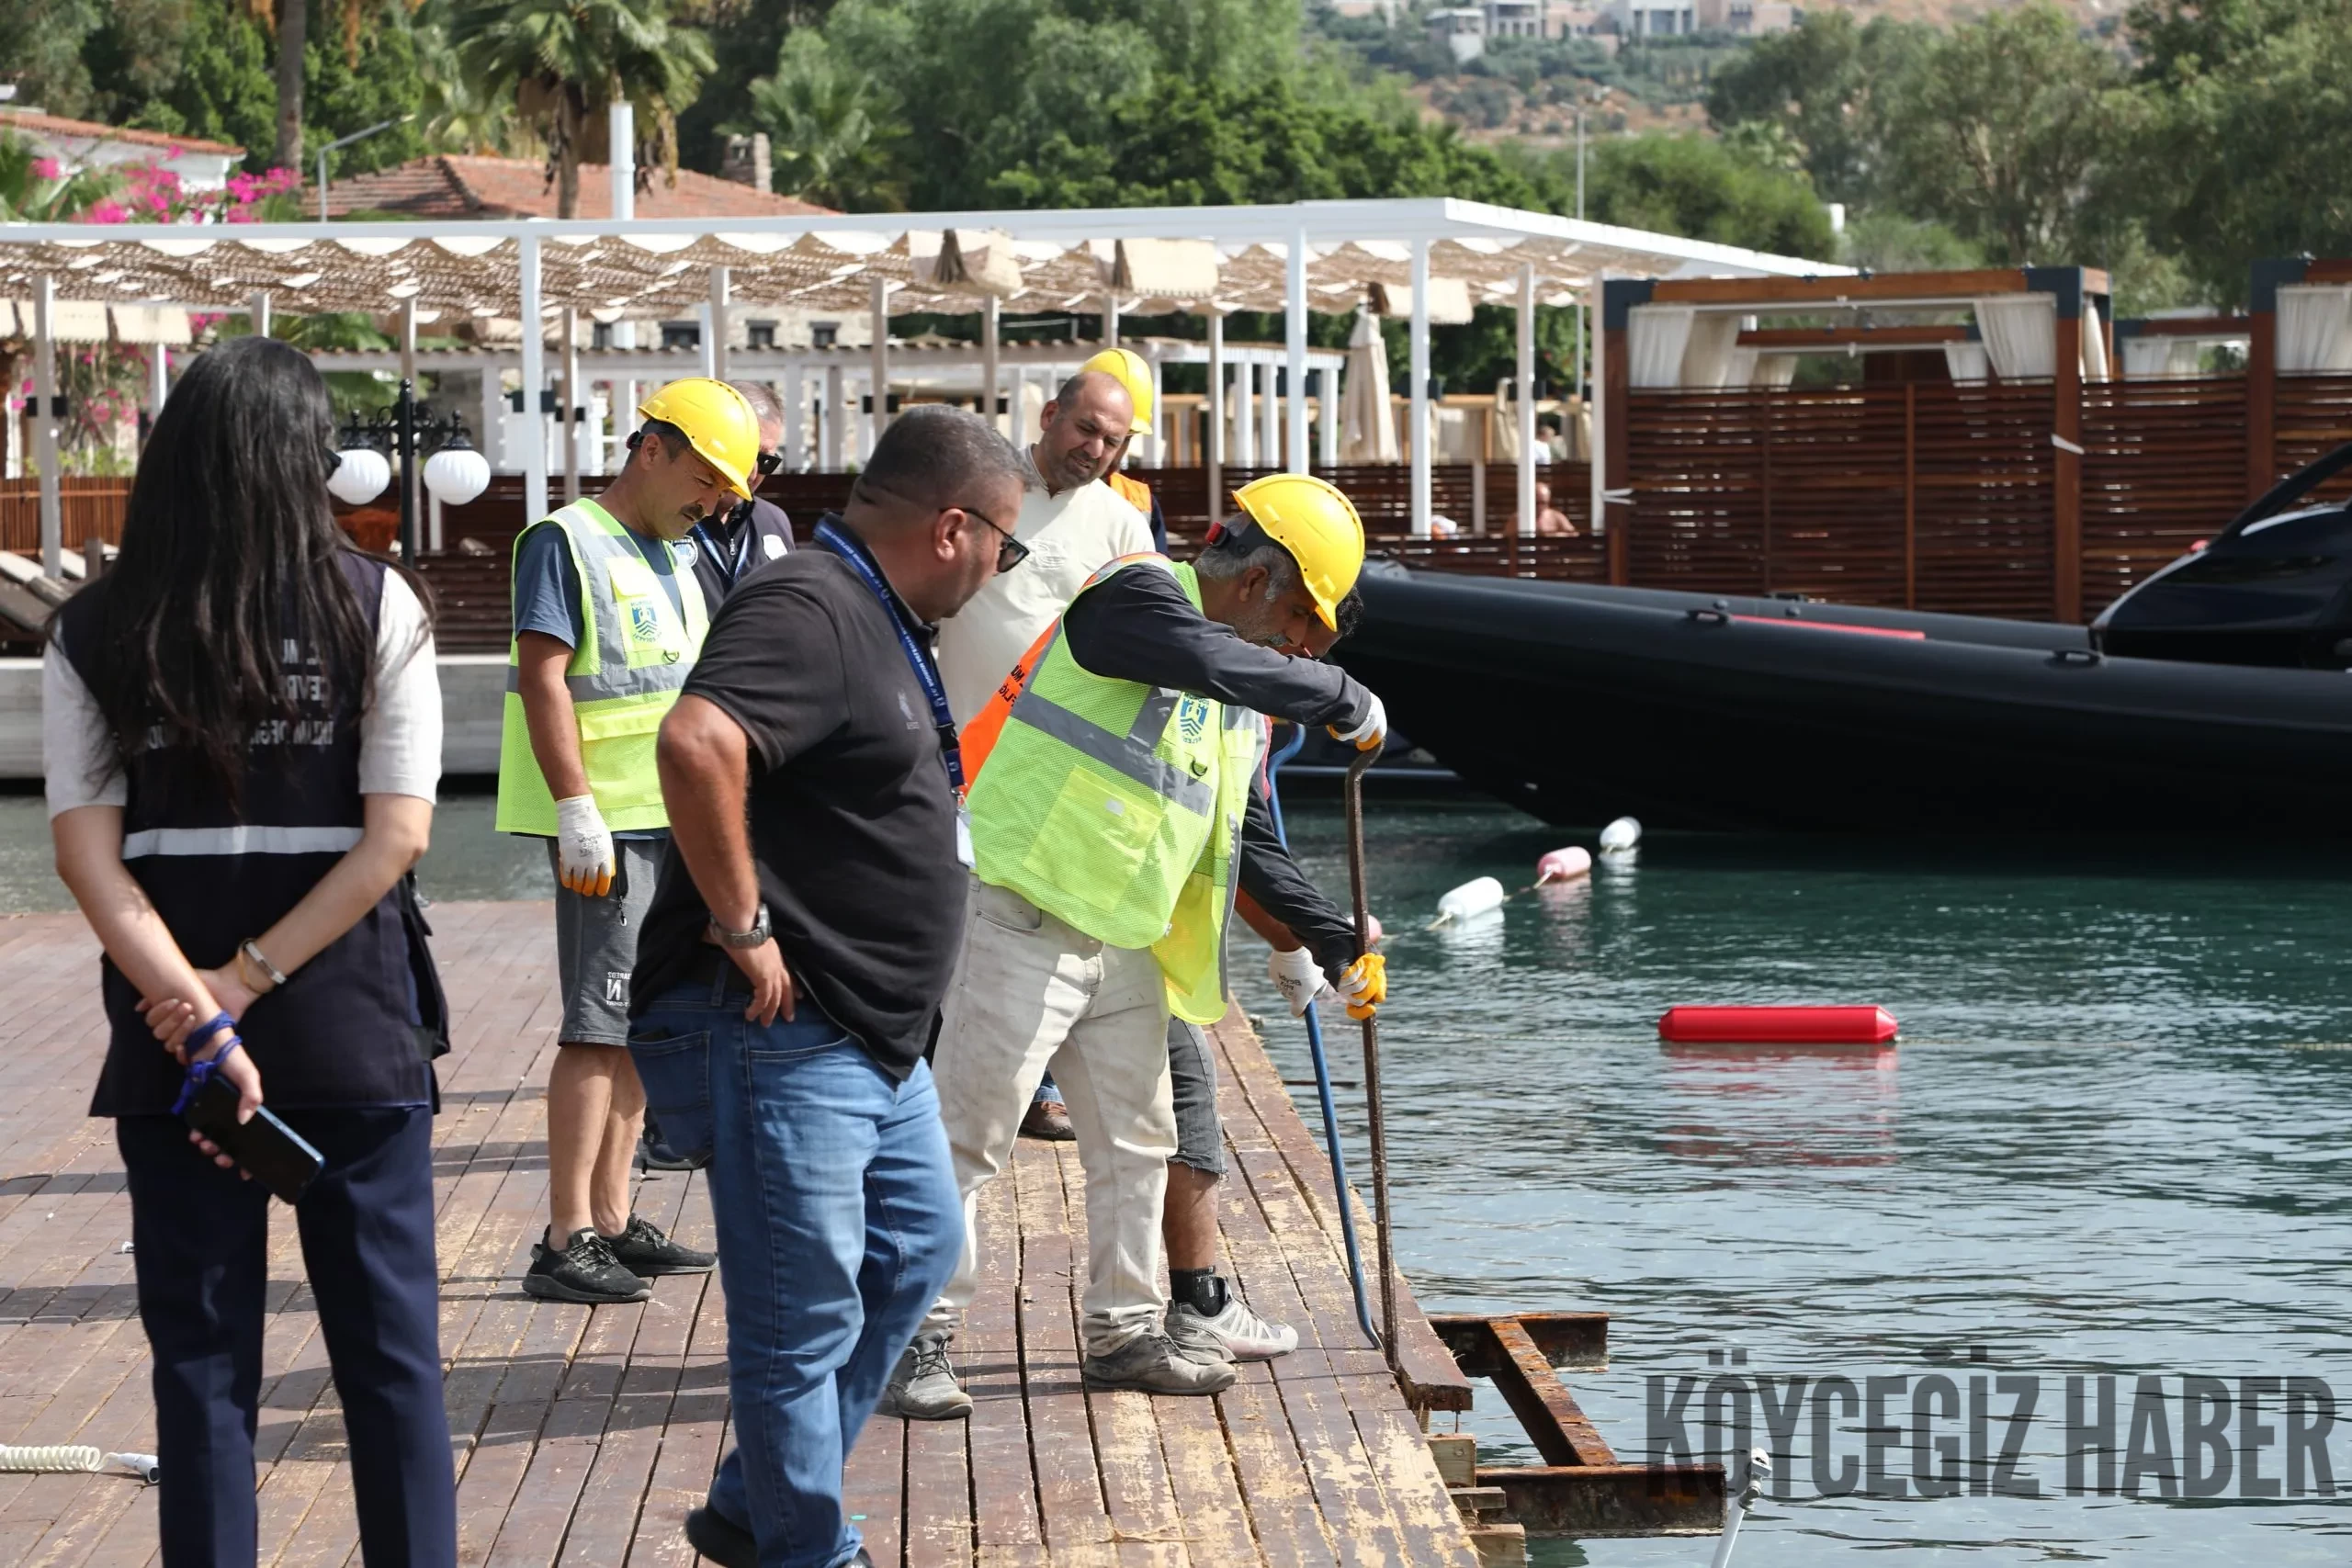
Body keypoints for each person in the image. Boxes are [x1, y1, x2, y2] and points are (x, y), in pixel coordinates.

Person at [45, 333, 456, 1568]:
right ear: (300, 461)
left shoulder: (95, 628)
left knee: (204, 1363)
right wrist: (244, 984)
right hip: (351, 1027)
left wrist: (194, 1002)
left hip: (175, 1053)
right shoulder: (376, 603)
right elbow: (397, 839)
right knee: (389, 1360)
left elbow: (86, 855)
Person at [896, 472, 1393, 1413]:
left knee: (1135, 1142)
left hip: (1122, 937)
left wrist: (1331, 941)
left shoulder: (1229, 691)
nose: (1290, 649)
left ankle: (1124, 1331)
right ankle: (915, 1337)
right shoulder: (1134, 599)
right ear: (1255, 581)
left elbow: (1245, 843)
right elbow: (1211, 660)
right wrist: (1332, 688)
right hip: (1021, 910)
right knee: (969, 1137)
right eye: (1295, 626)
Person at [627, 406, 1028, 1568]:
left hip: (868, 1035)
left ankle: (756, 1511)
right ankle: (810, 1548)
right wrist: (743, 926)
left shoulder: (875, 613)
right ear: (952, 528)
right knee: (799, 1318)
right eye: (1003, 544)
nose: (1001, 568)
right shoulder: (810, 604)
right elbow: (697, 742)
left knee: (910, 1257)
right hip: (786, 1031)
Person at [496, 378, 761, 1304]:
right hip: (606, 826)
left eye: (729, 493)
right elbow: (545, 681)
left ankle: (610, 1218)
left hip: (672, 817)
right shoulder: (564, 543)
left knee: (643, 1025)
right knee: (595, 1025)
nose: (715, 502)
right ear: (653, 447)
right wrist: (574, 806)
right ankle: (565, 1234)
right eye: (708, 479)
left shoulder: (675, 554)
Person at [935, 364, 1152, 1145]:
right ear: (1050, 413)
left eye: (1113, 439)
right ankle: (944, 1082)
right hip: (958, 752)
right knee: (953, 930)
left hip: (1060, 771)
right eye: (1086, 428)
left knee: (1044, 935)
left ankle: (1037, 1083)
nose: (1096, 448)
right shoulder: (985, 485)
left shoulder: (1122, 526)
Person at [642, 379, 799, 1173]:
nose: (753, 478)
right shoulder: (672, 520)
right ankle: (665, 1119)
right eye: (743, 461)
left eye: (768, 462)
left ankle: (718, 1103)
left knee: (736, 924)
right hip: (680, 747)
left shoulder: (771, 526)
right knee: (675, 937)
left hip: (754, 747)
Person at [686, 380, 797, 606]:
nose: (752, 472)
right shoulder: (666, 518)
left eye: (767, 460)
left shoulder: (774, 521)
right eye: (743, 453)